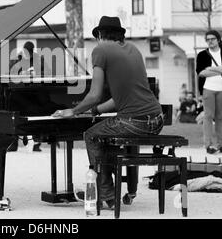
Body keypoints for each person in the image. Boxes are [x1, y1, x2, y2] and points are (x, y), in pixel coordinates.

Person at [52, 16, 163, 209]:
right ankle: (110, 196)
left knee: (91, 135)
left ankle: (104, 194)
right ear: (119, 35)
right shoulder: (134, 50)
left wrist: (73, 111)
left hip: (134, 121)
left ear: (100, 35)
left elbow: (94, 94)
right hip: (156, 119)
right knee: (107, 141)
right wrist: (95, 111)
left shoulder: (100, 50)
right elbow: (120, 98)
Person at [196, 30, 222, 154]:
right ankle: (208, 145)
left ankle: (221, 145)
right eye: (208, 39)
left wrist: (211, 69)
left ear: (218, 39)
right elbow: (201, 73)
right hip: (208, 89)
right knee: (208, 117)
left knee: (220, 118)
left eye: (212, 39)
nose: (210, 41)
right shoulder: (202, 55)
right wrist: (220, 69)